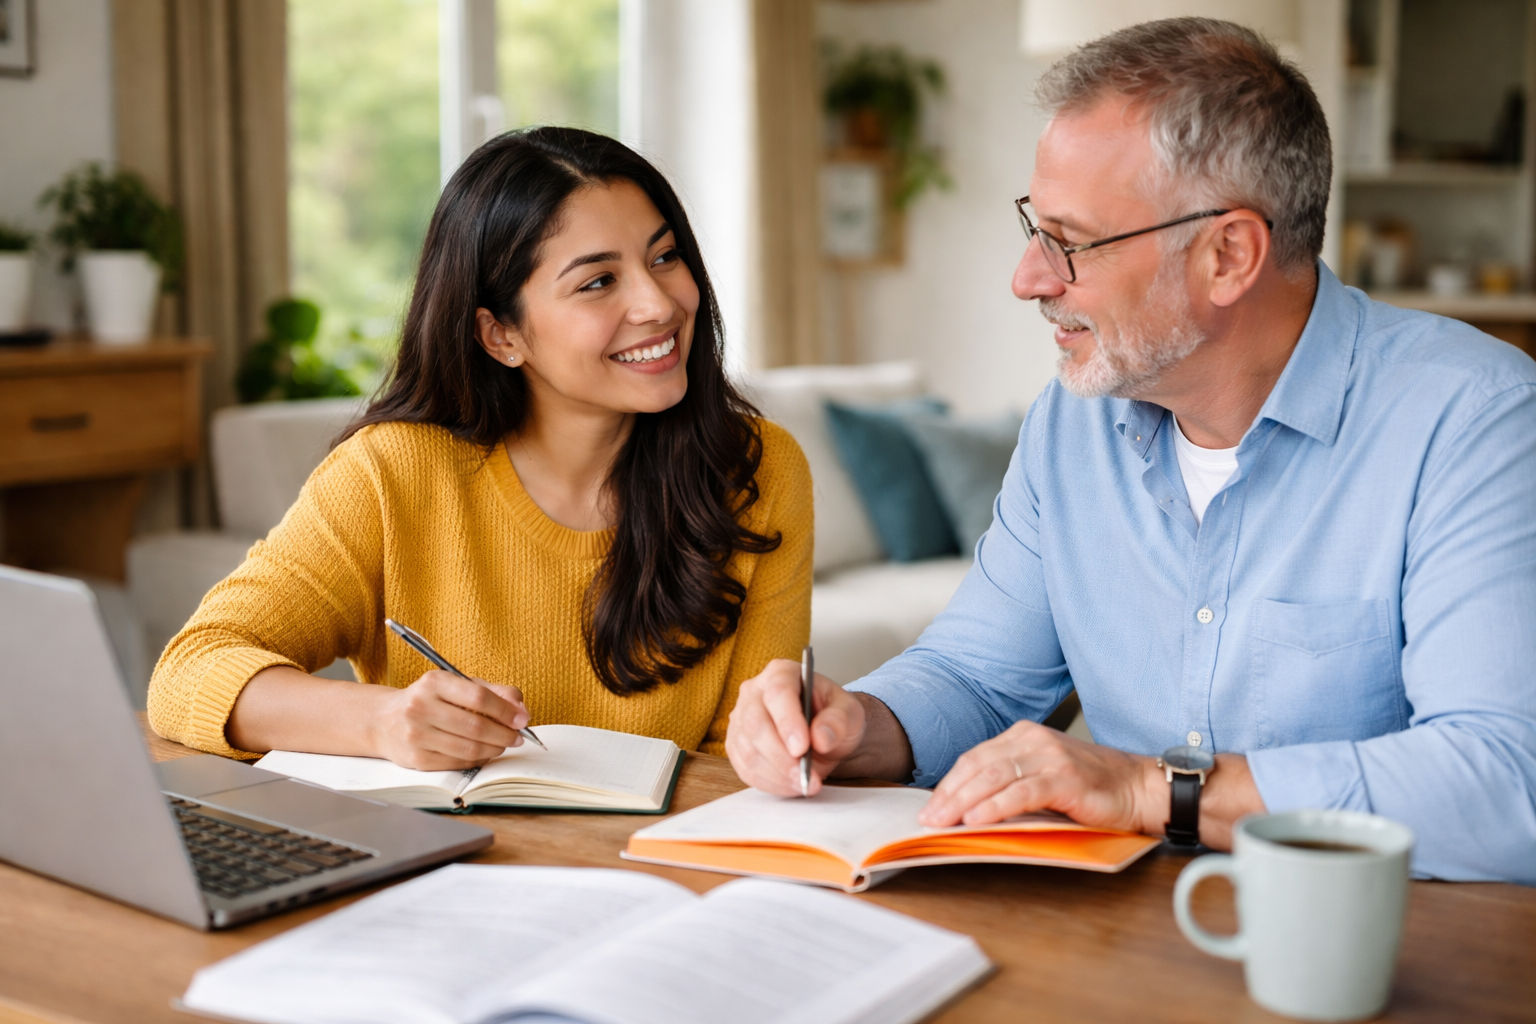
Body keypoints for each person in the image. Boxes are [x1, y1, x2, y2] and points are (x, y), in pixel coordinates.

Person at [726, 17, 1536, 884]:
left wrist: (1160, 791)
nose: (1029, 278)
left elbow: (1506, 784)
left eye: (1070, 242)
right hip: (1119, 945)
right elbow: (977, 676)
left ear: (1229, 254)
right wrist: (855, 723)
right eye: (1035, 229)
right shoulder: (1071, 424)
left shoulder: (1476, 422)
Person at [149, 127, 812, 769]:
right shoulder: (392, 475)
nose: (659, 303)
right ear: (500, 336)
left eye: (664, 257)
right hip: (454, 867)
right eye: (598, 282)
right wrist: (382, 722)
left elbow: (741, 762)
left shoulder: (757, 469)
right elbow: (189, 671)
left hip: (659, 869)